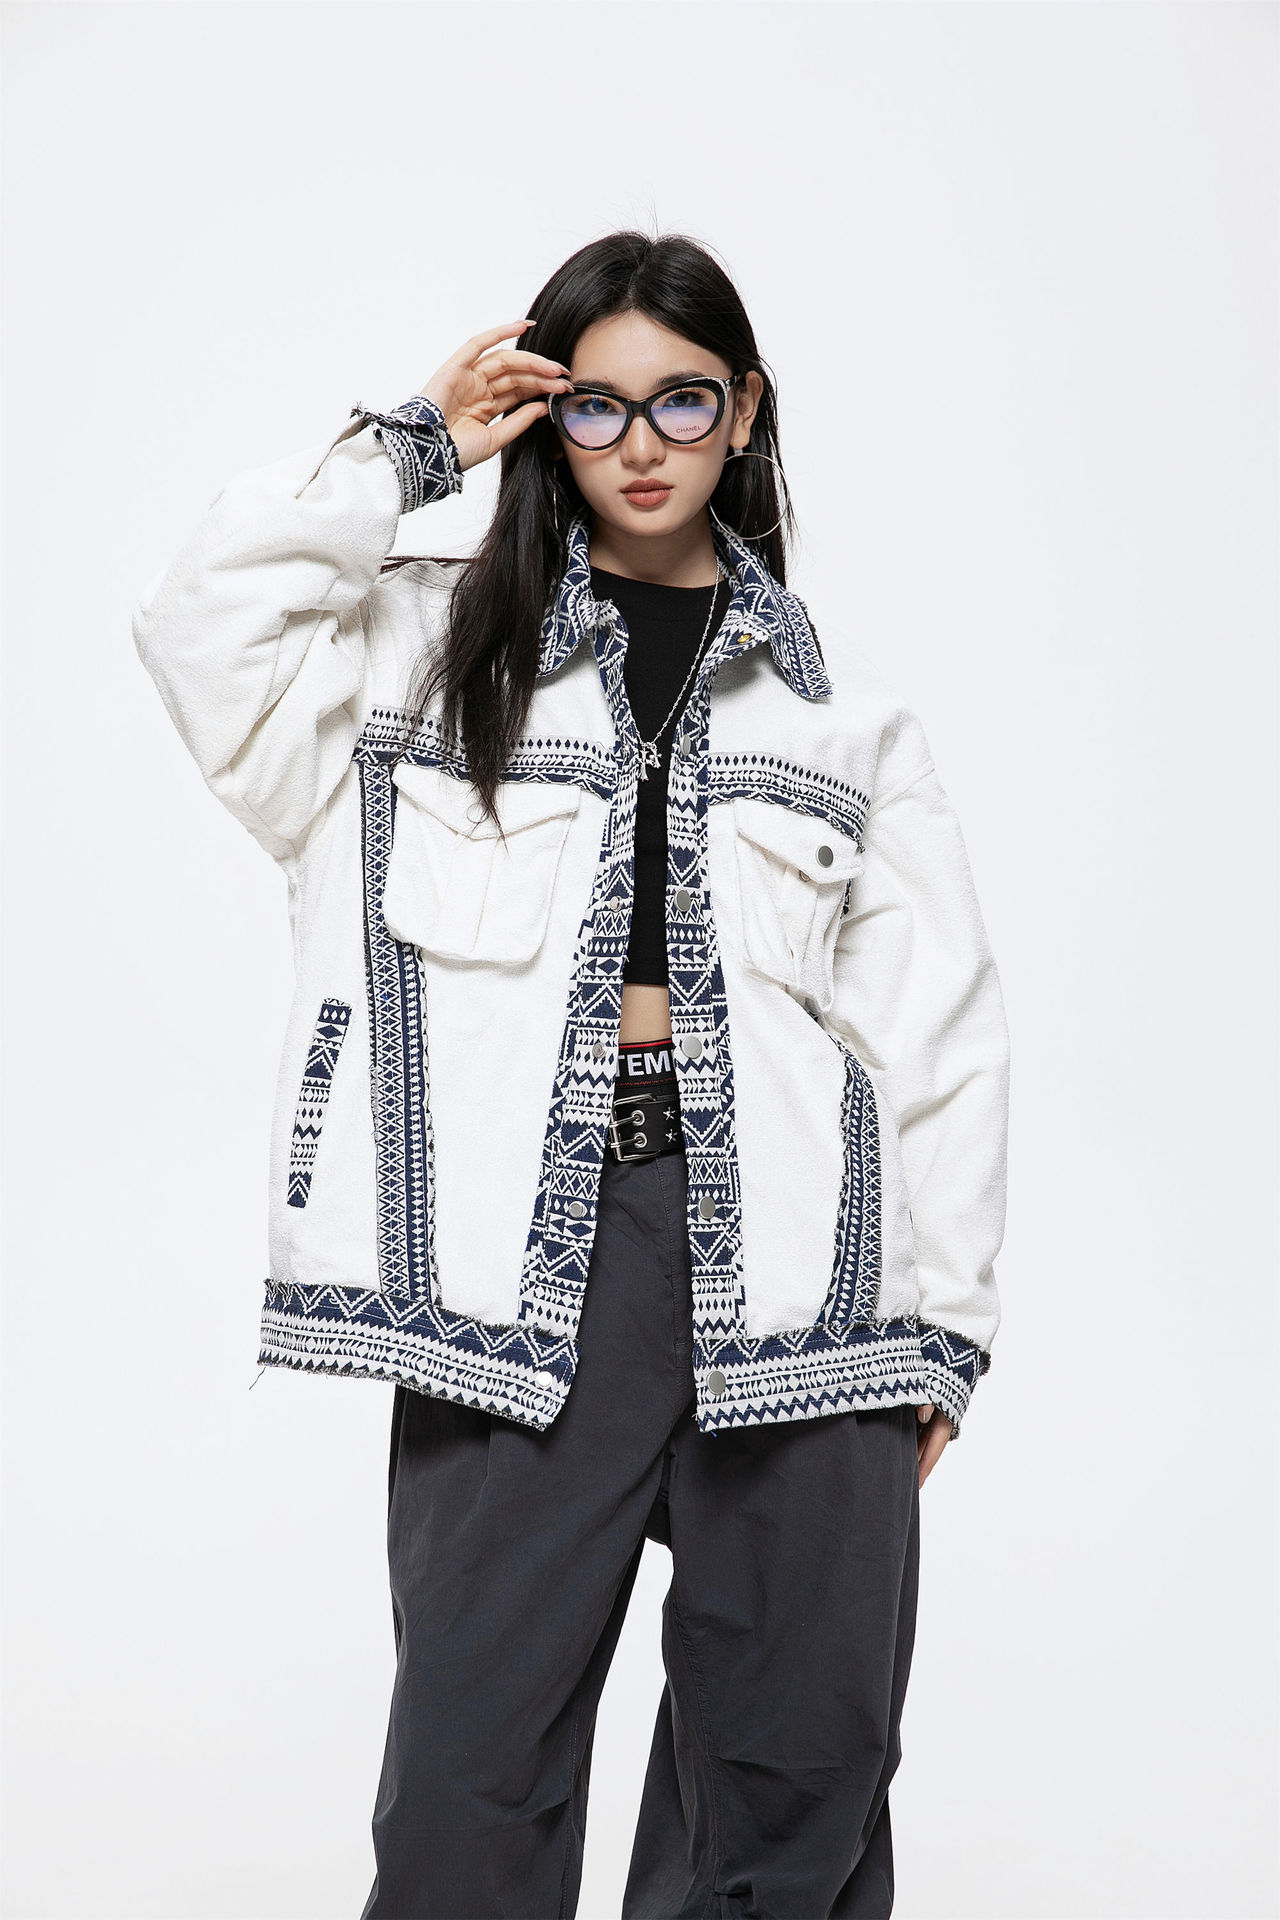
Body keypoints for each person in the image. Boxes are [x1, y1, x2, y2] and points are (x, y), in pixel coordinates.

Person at [132, 229, 1010, 1919]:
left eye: (683, 400)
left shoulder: (849, 730)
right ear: (550, 423)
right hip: (517, 1278)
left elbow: (941, 1035)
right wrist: (410, 446)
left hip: (811, 1286)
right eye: (596, 406)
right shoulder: (411, 659)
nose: (643, 444)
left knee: (798, 1780)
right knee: (472, 1777)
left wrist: (947, 1331)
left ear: (743, 412)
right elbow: (198, 619)